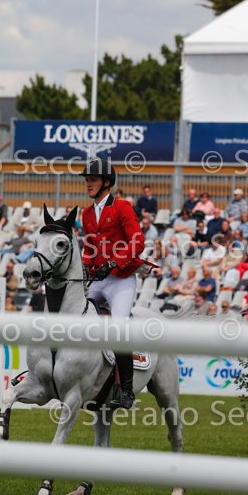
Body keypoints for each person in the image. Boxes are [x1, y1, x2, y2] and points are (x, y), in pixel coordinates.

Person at [81, 158, 145, 409]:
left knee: (118, 328)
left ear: (107, 182)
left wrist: (113, 262)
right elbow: (89, 249)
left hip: (120, 280)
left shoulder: (122, 207)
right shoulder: (86, 214)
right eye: (87, 180)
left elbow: (137, 242)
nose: (88, 184)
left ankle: (127, 390)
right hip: (98, 280)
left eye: (93, 180)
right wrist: (85, 267)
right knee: (76, 315)